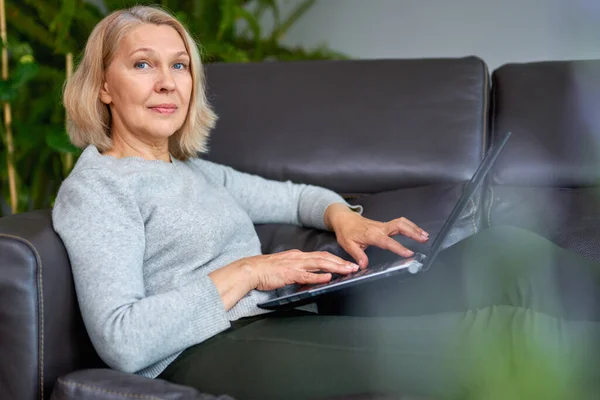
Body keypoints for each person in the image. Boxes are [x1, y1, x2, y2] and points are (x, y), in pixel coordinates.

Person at [52, 5, 600, 400]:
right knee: (504, 336)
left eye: (180, 65)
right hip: (203, 351)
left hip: (277, 316)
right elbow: (122, 340)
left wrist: (343, 217)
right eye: (143, 65)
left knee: (502, 246)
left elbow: (294, 197)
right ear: (103, 86)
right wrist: (248, 271)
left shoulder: (190, 170)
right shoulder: (99, 189)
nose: (168, 83)